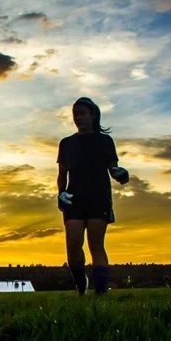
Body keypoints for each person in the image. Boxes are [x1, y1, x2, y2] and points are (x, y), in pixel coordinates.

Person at [57, 97, 129, 296]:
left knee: (95, 244)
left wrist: (121, 174)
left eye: (82, 113)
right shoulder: (67, 143)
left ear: (93, 115)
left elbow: (113, 168)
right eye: (75, 115)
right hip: (73, 199)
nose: (78, 118)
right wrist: (60, 194)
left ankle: (101, 291)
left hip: (98, 196)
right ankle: (81, 283)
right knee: (73, 244)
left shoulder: (104, 141)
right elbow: (62, 174)